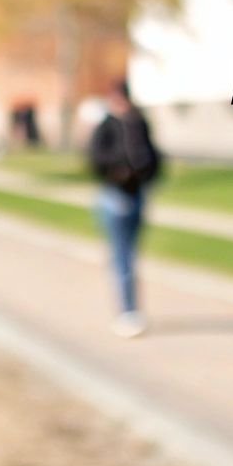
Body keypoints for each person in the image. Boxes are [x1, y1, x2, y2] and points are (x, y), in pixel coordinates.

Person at [86, 79, 160, 338]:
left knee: (131, 254)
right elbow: (95, 159)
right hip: (114, 195)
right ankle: (127, 310)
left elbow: (154, 156)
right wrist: (118, 171)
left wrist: (144, 174)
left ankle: (131, 307)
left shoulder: (138, 124)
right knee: (121, 256)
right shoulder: (106, 126)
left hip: (136, 194)